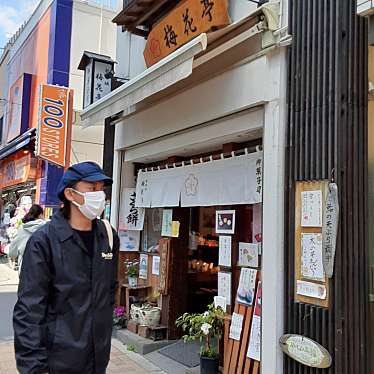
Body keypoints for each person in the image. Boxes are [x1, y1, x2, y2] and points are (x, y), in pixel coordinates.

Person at [13, 162, 119, 374]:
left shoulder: (107, 236)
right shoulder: (44, 242)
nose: (100, 195)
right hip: (56, 362)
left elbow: (108, 291)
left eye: (102, 189)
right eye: (92, 188)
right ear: (70, 194)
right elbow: (29, 311)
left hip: (97, 359)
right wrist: (34, 368)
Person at [8, 204, 45, 274]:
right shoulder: (47, 227)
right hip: (43, 267)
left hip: (25, 266)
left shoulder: (22, 228)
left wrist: (13, 255)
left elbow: (12, 251)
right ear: (40, 215)